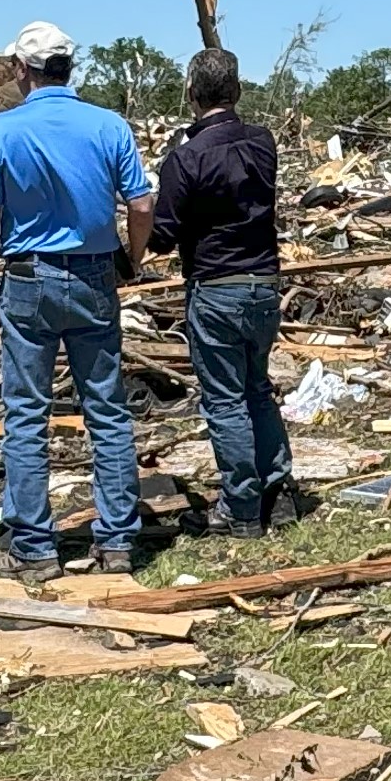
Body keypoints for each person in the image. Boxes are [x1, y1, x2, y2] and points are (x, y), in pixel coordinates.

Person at [0, 20, 153, 580]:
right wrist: (132, 259)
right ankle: (117, 541)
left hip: (27, 280)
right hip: (95, 275)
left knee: (26, 414)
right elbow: (142, 206)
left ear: (22, 70)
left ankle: (35, 547)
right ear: (71, 68)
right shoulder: (108, 125)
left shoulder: (1, 131)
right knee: (107, 409)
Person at [149, 46, 294, 534]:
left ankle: (241, 506)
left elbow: (163, 233)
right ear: (237, 91)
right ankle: (278, 489)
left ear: (190, 94)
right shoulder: (262, 143)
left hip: (216, 287)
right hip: (264, 285)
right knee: (257, 388)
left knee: (226, 400)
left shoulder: (186, 158)